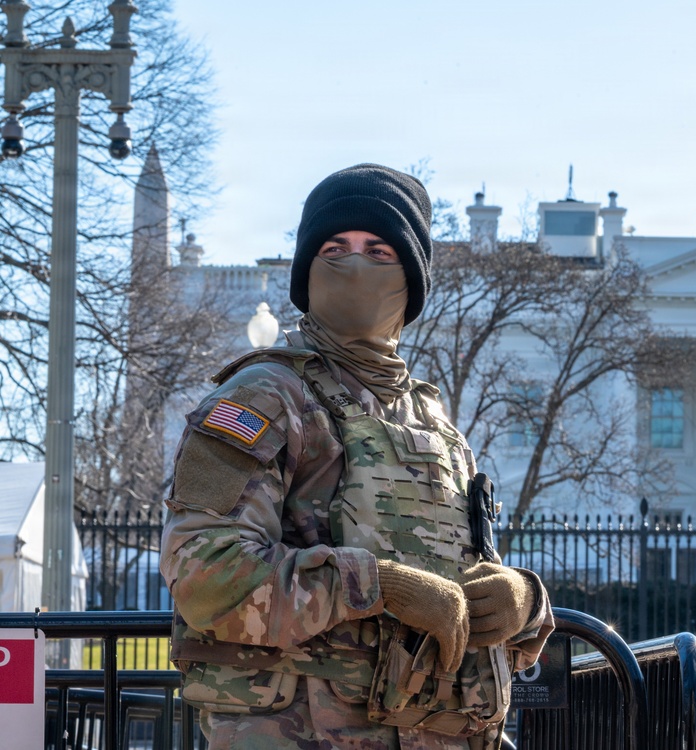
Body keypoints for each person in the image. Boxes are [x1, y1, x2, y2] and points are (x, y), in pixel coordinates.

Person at [160, 164, 554, 750]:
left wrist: (525, 605)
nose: (355, 266)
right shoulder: (266, 396)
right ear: (307, 271)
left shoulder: (433, 422)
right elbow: (204, 573)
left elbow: (466, 584)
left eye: (378, 251)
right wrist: (377, 586)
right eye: (335, 249)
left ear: (412, 278)